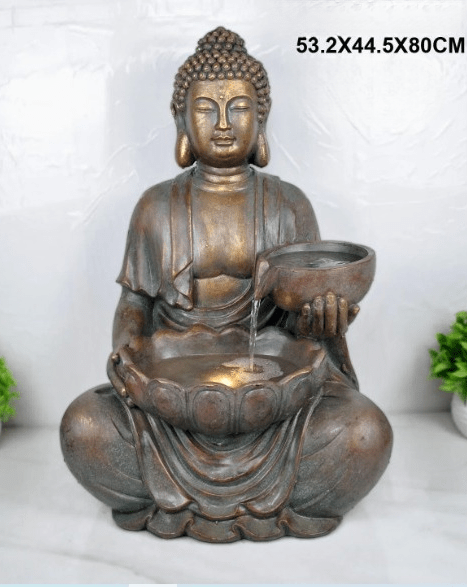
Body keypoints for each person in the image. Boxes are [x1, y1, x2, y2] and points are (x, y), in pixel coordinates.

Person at [61, 27, 392, 542]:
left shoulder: (289, 205)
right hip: (173, 401)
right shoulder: (156, 207)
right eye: (205, 108)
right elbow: (134, 304)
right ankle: (218, 493)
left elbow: (303, 317)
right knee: (85, 426)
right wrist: (127, 359)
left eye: (238, 108)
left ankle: (207, 499)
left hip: (274, 398)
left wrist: (324, 322)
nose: (221, 124)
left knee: (363, 432)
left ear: (262, 119)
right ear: (180, 120)